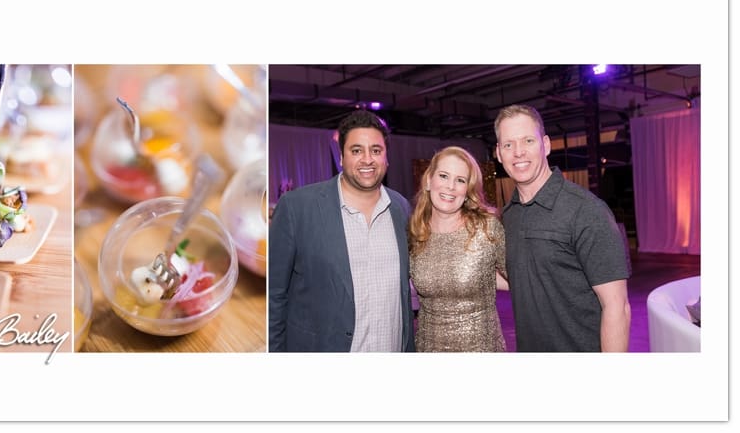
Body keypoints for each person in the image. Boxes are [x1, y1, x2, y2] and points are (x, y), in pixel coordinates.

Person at [268, 110, 415, 352]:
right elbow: (273, 295)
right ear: (341, 158)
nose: (367, 159)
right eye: (356, 150)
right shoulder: (298, 207)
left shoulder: (400, 208)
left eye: (376, 151)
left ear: (386, 158)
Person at [494, 104, 631, 352]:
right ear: (499, 153)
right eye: (508, 145)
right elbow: (524, 276)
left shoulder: (587, 211)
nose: (518, 152)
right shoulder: (509, 214)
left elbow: (617, 306)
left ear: (545, 145)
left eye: (527, 141)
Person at [408, 146, 508, 352]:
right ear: (428, 181)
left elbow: (522, 281)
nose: (451, 186)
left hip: (481, 349)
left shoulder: (486, 229)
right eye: (444, 176)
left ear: (468, 190)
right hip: (428, 350)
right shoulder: (415, 233)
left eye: (460, 180)